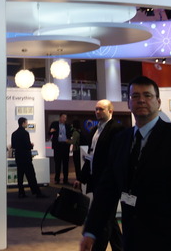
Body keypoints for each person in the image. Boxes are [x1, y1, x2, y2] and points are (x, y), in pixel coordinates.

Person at [80, 76, 171, 251]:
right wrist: (91, 231)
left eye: (147, 95)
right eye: (135, 96)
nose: (141, 100)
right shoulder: (121, 140)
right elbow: (107, 189)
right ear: (128, 103)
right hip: (132, 238)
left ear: (158, 102)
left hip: (169, 239)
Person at [75, 100, 123, 251]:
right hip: (96, 179)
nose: (97, 112)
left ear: (110, 111)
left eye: (101, 109)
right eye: (96, 109)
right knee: (108, 216)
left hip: (109, 182)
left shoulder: (116, 129)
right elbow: (91, 156)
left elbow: (116, 157)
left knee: (105, 217)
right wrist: (81, 178)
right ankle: (120, 247)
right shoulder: (95, 130)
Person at [11, 117, 44, 198]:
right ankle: (36, 192)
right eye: (26, 122)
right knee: (31, 175)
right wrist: (31, 145)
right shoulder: (25, 133)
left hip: (18, 157)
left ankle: (21, 192)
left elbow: (13, 146)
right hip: (26, 157)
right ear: (23, 123)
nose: (27, 124)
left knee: (20, 175)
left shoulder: (14, 134)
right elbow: (27, 146)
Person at [49, 113, 71, 185]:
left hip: (65, 146)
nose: (65, 119)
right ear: (60, 117)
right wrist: (51, 131)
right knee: (57, 163)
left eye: (66, 118)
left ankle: (65, 179)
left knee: (65, 163)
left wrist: (69, 140)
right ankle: (57, 179)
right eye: (63, 117)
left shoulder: (67, 125)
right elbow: (49, 133)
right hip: (57, 146)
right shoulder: (54, 124)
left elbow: (70, 134)